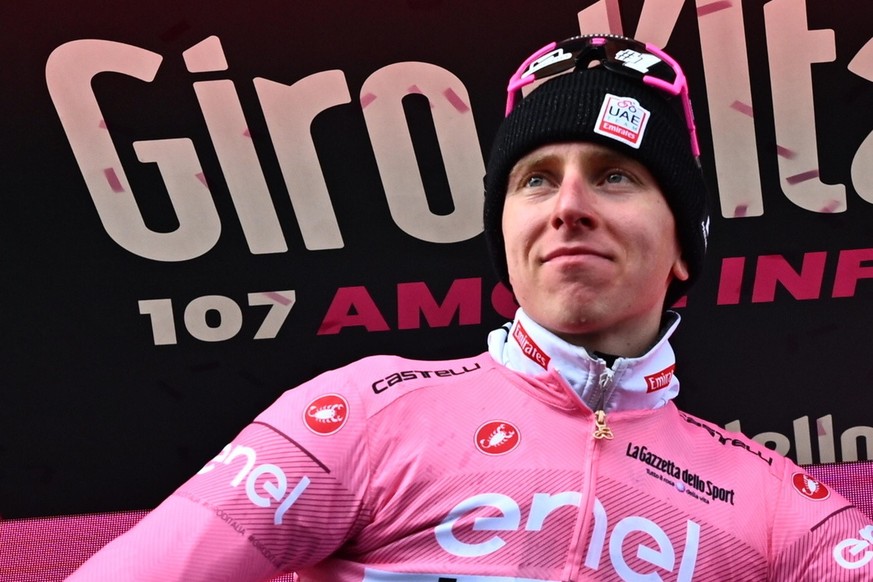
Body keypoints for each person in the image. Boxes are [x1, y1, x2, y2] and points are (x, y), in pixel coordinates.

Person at [67, 34, 873, 581]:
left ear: (683, 248)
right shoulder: (363, 412)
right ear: (506, 236)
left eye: (615, 176)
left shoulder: (772, 502)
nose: (568, 206)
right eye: (535, 180)